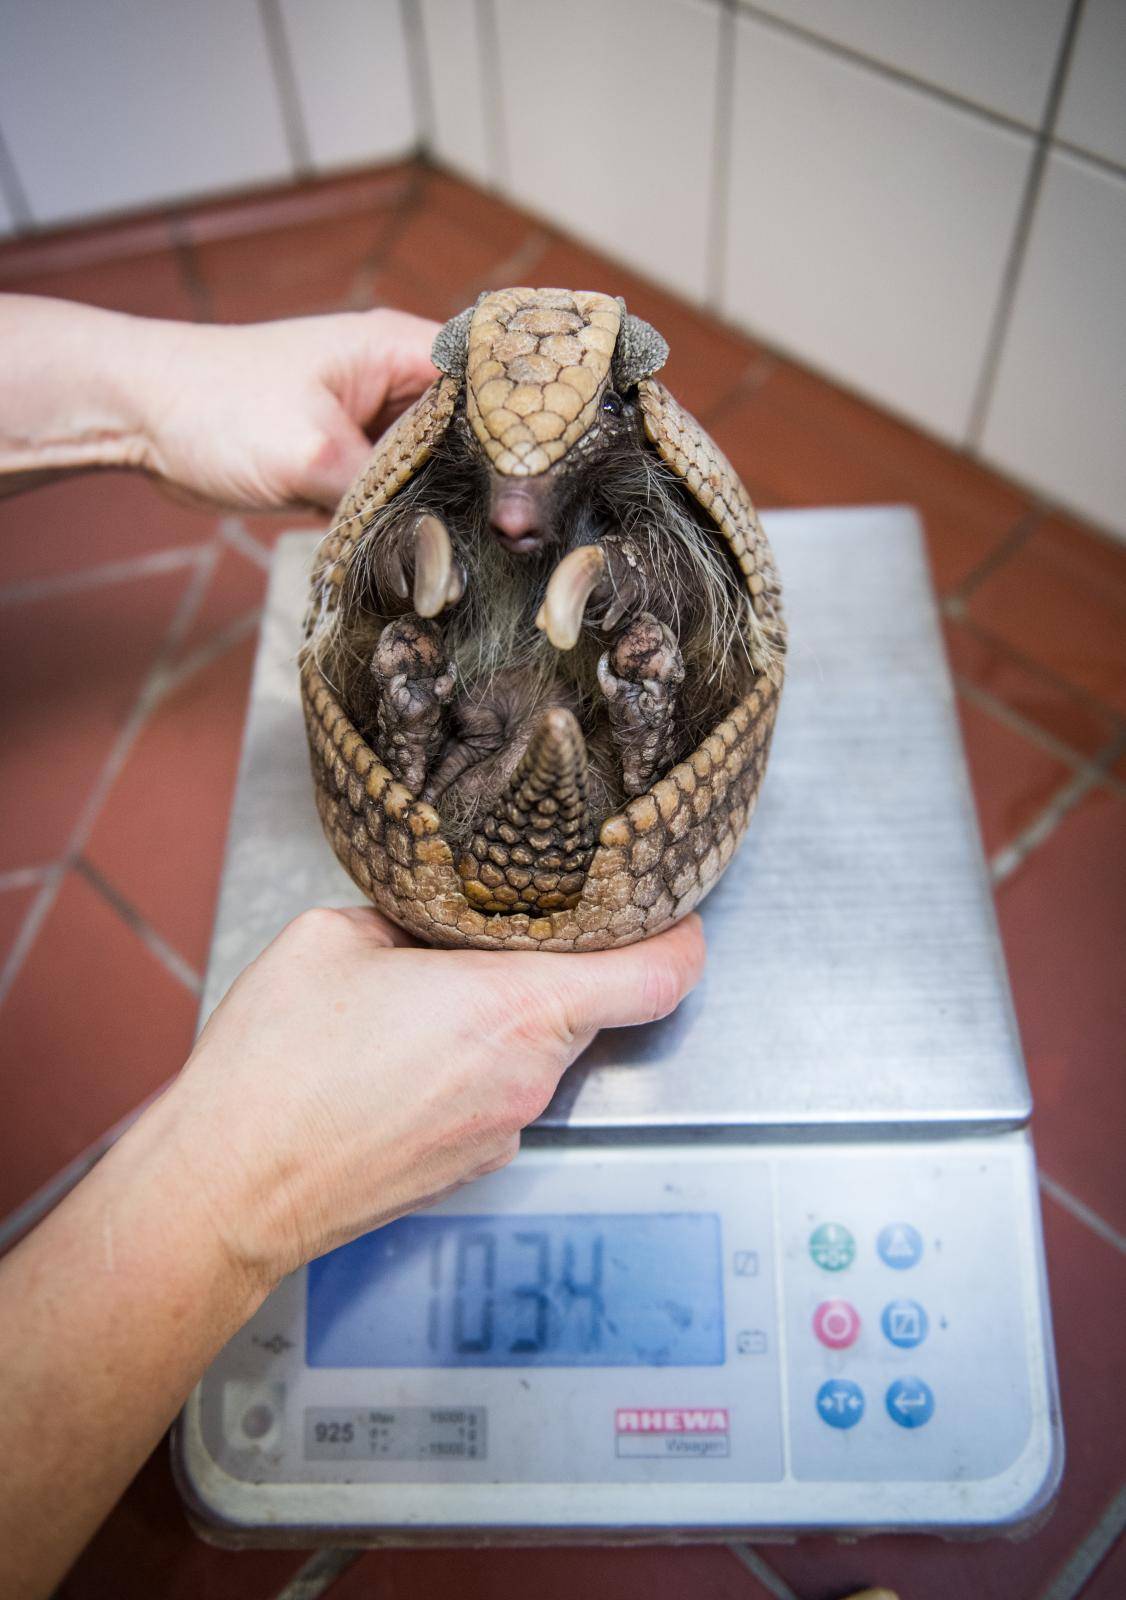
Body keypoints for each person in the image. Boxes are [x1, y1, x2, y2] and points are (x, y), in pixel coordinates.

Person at [0, 295, 707, 1599]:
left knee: (616, 699)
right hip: (453, 741)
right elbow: (372, 593)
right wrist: (227, 1202)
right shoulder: (441, 535)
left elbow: (737, 617)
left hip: (591, 729)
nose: (511, 517)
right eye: (491, 475)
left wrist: (135, 380)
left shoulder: (645, 519)